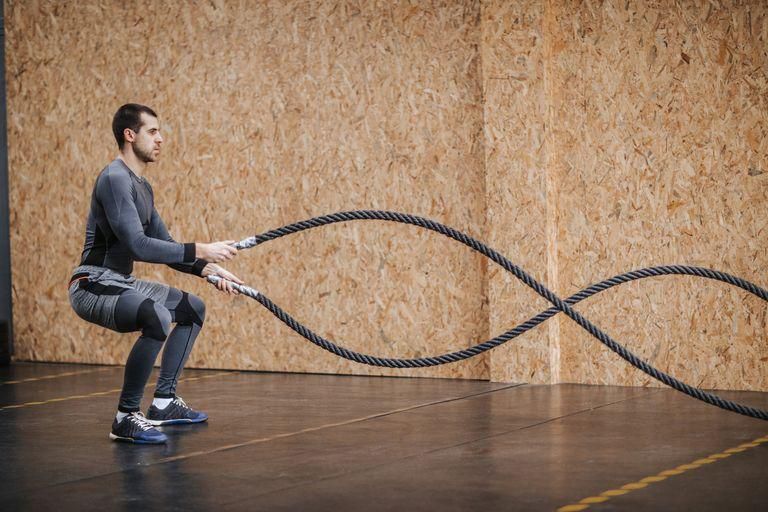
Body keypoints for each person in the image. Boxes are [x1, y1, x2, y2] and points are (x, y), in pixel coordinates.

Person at [68, 103, 243, 444]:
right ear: (129, 135)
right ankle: (125, 417)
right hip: (91, 284)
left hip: (120, 282)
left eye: (160, 132)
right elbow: (138, 246)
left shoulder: (142, 188)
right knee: (156, 315)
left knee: (192, 309)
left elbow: (165, 246)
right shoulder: (114, 179)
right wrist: (202, 249)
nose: (160, 139)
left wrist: (209, 269)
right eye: (152, 132)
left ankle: (163, 404)